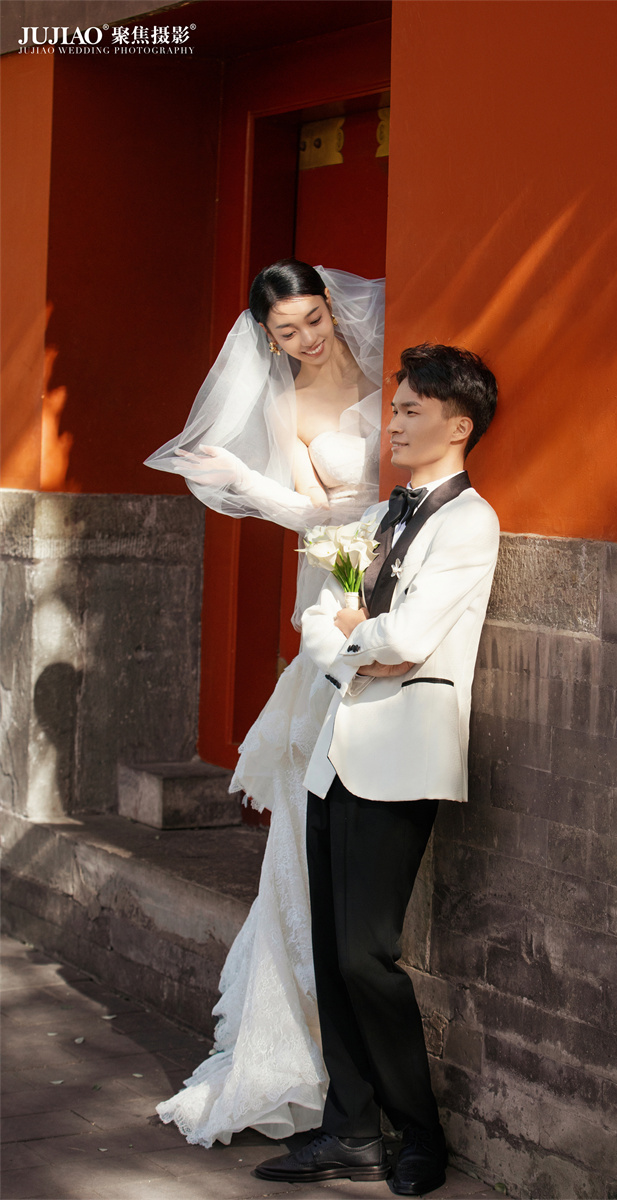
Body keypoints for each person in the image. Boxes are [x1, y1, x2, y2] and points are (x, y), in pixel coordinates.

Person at [144, 261, 384, 1146]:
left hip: (403, 583)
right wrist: (243, 484)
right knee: (310, 807)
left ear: (332, 308)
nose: (308, 339)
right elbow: (316, 516)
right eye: (287, 332)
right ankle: (294, 1042)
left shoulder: (387, 355)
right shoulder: (285, 405)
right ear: (267, 338)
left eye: (315, 319)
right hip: (343, 591)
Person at [254, 344, 499, 1196]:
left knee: (367, 955)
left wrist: (359, 636)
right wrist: (361, 642)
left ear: (458, 425)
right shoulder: (380, 515)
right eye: (394, 408)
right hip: (335, 755)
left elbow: (411, 637)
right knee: (332, 955)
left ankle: (420, 1134)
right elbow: (318, 624)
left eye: (410, 410)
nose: (391, 422)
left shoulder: (470, 522)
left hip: (398, 761)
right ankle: (351, 1133)